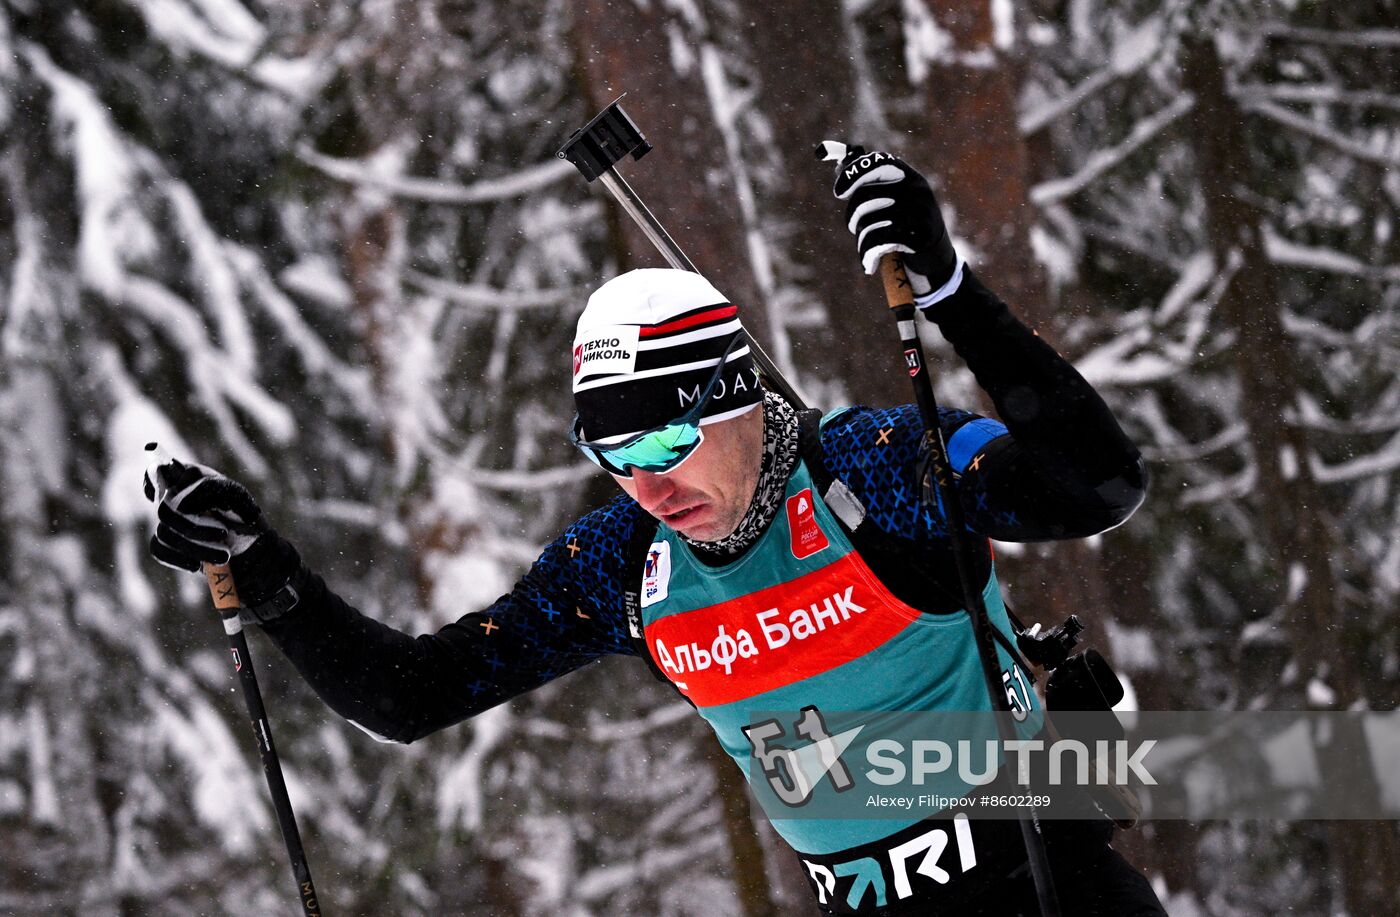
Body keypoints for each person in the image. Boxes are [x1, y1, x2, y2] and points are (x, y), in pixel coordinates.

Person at [144, 148, 1165, 915]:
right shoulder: (625, 566)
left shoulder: (873, 472)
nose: (644, 480)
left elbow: (1096, 487)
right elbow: (406, 695)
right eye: (611, 452)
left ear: (736, 396)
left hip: (1043, 885)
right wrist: (264, 569)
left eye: (667, 436)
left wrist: (948, 291)